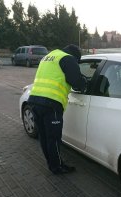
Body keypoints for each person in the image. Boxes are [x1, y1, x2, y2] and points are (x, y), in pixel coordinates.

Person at [27, 44, 87, 174]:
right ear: (75, 56)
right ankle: (57, 167)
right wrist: (84, 83)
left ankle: (52, 164)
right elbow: (76, 81)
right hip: (51, 103)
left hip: (34, 100)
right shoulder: (68, 58)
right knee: (53, 138)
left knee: (44, 136)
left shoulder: (49, 56)